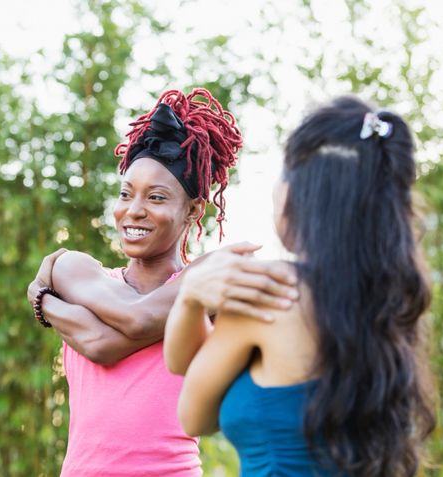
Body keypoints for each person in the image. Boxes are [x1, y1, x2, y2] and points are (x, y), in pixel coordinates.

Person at [27, 88, 299, 476]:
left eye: (156, 197)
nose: (133, 211)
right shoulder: (75, 270)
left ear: (192, 210)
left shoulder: (208, 287)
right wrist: (45, 297)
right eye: (125, 194)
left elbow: (112, 338)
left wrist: (40, 299)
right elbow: (112, 334)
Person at [165, 97, 436, 476]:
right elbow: (185, 362)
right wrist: (192, 299)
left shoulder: (277, 292)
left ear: (299, 194)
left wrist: (191, 293)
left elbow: (194, 416)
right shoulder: (385, 303)